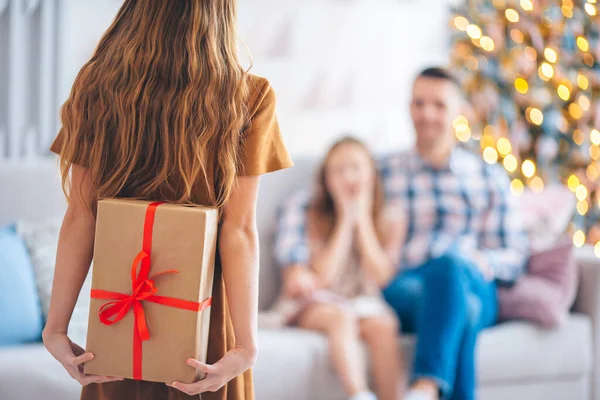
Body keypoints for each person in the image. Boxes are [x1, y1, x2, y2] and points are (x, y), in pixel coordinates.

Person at [42, 1, 293, 400]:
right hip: (203, 333)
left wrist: (55, 328)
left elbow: (81, 216)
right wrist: (245, 346)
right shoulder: (249, 96)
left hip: (120, 319)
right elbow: (239, 230)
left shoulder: (96, 87)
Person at [274, 67, 529, 400]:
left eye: (438, 105)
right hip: (407, 286)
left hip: (472, 280)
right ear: (409, 108)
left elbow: (515, 254)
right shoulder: (385, 168)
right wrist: (296, 261)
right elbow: (318, 193)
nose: (427, 113)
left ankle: (424, 386)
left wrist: (481, 260)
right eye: (418, 103)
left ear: (460, 112)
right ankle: (426, 389)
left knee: (454, 274)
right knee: (459, 309)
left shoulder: (487, 177)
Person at [265, 137, 406, 400]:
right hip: (315, 303)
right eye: (338, 171)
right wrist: (345, 218)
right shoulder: (312, 216)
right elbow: (323, 279)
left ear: (372, 175)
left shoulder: (391, 219)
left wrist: (361, 218)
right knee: (341, 317)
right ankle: (359, 394)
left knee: (384, 325)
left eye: (355, 168)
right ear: (327, 181)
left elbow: (382, 276)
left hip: (362, 303)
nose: (348, 177)